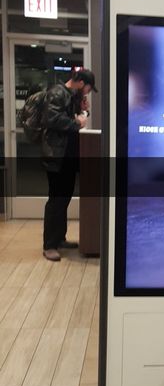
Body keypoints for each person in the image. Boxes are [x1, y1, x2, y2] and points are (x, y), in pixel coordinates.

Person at [42, 68, 97, 261]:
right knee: (56, 200)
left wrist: (84, 109)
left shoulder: (71, 96)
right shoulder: (57, 93)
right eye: (88, 89)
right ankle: (49, 245)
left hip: (67, 158)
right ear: (81, 83)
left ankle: (59, 239)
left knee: (63, 200)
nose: (88, 92)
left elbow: (78, 118)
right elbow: (52, 119)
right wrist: (76, 123)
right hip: (57, 157)